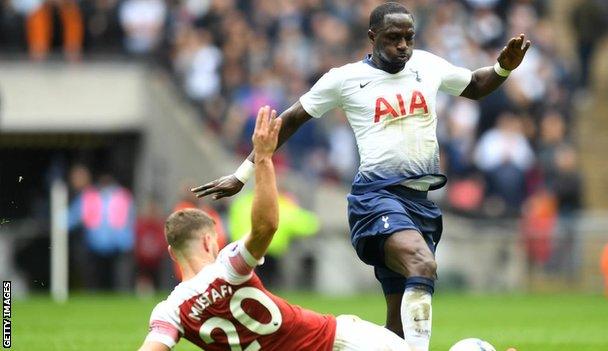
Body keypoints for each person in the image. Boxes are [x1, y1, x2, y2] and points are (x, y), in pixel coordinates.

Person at [192, 3, 531, 350]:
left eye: (408, 38)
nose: (403, 45)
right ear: (372, 37)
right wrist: (243, 172)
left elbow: (474, 84)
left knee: (397, 328)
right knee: (422, 263)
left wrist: (503, 67)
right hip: (376, 199)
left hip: (419, 204)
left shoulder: (426, 66)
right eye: (393, 38)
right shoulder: (346, 79)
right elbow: (291, 118)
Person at [138, 106, 410, 351]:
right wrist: (264, 159)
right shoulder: (227, 267)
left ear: (173, 253)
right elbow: (266, 226)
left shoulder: (170, 311)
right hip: (335, 341)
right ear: (210, 241)